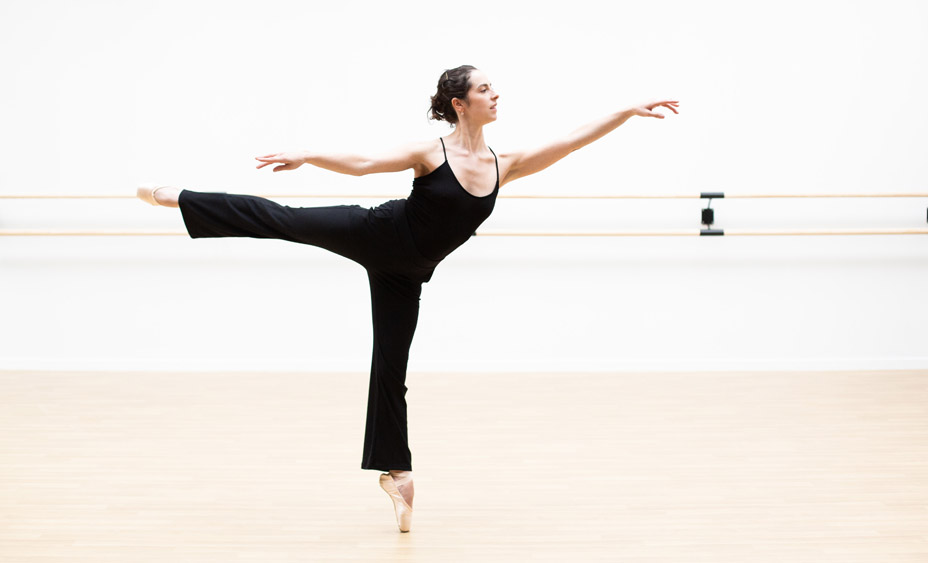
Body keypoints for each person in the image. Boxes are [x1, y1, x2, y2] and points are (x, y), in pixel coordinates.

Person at [137, 65, 678, 532]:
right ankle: (180, 198)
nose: (496, 95)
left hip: (409, 273)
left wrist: (626, 110)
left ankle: (396, 475)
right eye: (485, 89)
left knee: (391, 367)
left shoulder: (503, 163)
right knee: (286, 220)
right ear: (458, 103)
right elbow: (366, 161)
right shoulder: (432, 150)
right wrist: (310, 154)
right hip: (380, 234)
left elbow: (573, 139)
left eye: (496, 87)